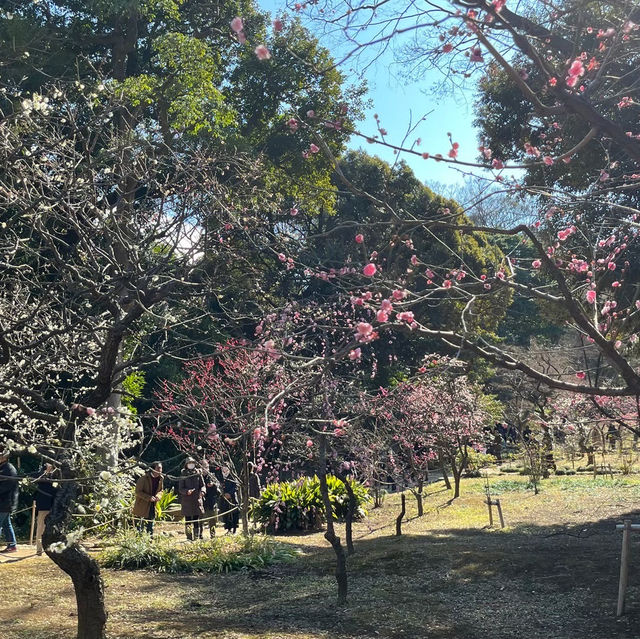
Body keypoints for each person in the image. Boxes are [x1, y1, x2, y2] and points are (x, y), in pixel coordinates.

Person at [32, 462, 59, 555]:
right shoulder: (41, 474)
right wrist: (45, 472)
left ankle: (53, 548)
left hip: (54, 505)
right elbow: (34, 478)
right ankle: (39, 549)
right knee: (40, 527)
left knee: (54, 528)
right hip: (44, 505)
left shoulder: (58, 474)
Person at [132, 462, 164, 536]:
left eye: (161, 468)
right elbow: (138, 492)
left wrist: (158, 496)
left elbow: (161, 490)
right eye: (158, 468)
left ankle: (150, 540)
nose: (160, 470)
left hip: (152, 505)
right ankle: (138, 541)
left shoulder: (161, 478)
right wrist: (149, 498)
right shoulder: (143, 478)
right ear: (153, 469)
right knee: (140, 526)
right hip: (142, 505)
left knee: (150, 523)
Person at [178, 457, 205, 540]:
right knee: (188, 520)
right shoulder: (183, 474)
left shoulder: (198, 473)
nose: (191, 464)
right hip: (187, 501)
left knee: (196, 519)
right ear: (186, 464)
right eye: (189, 463)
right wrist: (187, 491)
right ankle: (189, 538)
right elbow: (180, 488)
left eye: (192, 463)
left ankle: (196, 537)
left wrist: (203, 492)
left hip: (197, 500)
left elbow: (203, 485)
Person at [0, 451, 19, 553]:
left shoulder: (9, 469)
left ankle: (12, 545)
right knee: (6, 524)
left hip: (6, 501)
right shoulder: (3, 467)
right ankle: (12, 545)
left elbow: (6, 486)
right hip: (3, 502)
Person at [201, 460, 220, 539]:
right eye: (203, 467)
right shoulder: (198, 476)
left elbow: (218, 487)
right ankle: (199, 535)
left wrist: (213, 485)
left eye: (206, 467)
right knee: (200, 520)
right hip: (201, 501)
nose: (205, 469)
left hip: (211, 501)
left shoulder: (212, 476)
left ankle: (213, 535)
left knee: (213, 520)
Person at [218, 466, 239, 535]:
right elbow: (219, 487)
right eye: (223, 470)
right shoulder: (221, 477)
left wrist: (230, 493)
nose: (225, 471)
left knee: (234, 514)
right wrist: (223, 494)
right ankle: (228, 529)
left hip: (232, 497)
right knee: (226, 514)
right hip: (224, 499)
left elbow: (236, 486)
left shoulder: (233, 476)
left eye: (226, 469)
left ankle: (234, 529)